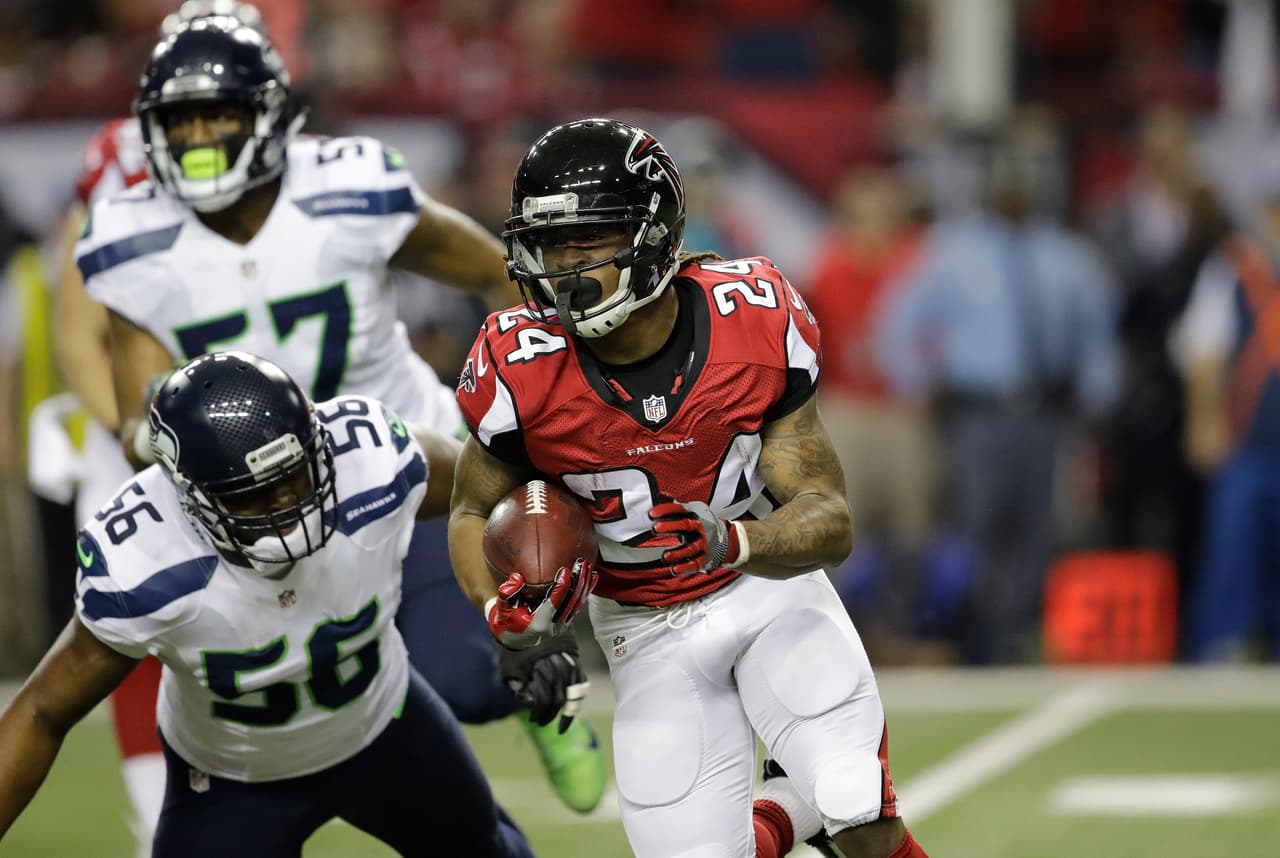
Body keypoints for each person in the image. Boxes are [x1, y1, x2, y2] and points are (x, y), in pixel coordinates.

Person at [69, 12, 605, 840]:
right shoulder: (129, 237)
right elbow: (143, 405)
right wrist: (162, 449)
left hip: (392, 462)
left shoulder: (345, 187)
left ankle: (534, 705)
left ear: (272, 113)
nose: (202, 137)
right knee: (317, 693)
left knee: (464, 681)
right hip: (251, 506)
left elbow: (499, 274)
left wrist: (534, 393)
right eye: (182, 120)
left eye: (220, 114)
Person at [448, 117, 928, 858]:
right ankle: (787, 812)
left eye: (588, 241)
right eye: (549, 245)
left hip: (763, 589)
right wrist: (506, 621)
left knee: (859, 814)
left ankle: (818, 801)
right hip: (640, 630)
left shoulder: (753, 320)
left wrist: (736, 539)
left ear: (652, 234)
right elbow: (471, 508)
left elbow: (829, 517)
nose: (560, 267)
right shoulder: (519, 363)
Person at [0, 352, 537, 857]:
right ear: (190, 497)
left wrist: (527, 617)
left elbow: (491, 495)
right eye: (249, 496)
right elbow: (43, 710)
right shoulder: (145, 560)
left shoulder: (370, 459)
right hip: (234, 782)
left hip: (386, 726)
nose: (286, 509)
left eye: (291, 478)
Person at [53, 6, 264, 849]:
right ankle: (157, 821)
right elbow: (78, 303)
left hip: (254, 419)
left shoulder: (284, 146)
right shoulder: (120, 153)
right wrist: (124, 426)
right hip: (144, 425)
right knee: (127, 616)